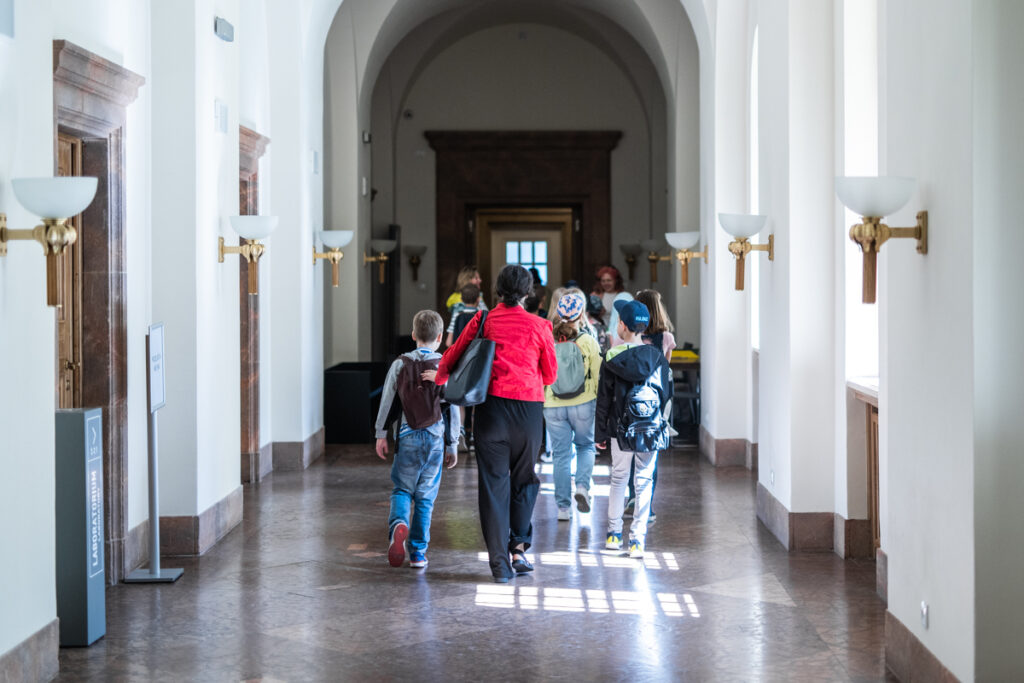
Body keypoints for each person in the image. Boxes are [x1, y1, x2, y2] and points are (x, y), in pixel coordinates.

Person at [436, 264, 557, 582]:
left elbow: (452, 356)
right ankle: (518, 548)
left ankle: (500, 566)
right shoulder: (540, 325)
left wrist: (438, 381)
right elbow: (550, 375)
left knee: (493, 486)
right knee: (525, 480)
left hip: (491, 411)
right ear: (528, 292)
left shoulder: (483, 319)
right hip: (528, 412)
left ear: (498, 290)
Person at [374, 310, 461, 569]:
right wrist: (452, 443)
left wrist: (381, 433)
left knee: (402, 488)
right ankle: (418, 553)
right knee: (425, 497)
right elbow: (452, 407)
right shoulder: (444, 366)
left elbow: (387, 401)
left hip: (407, 434)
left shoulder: (400, 364)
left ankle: (398, 524)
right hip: (435, 437)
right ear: (439, 337)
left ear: (413, 335)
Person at [595, 300, 673, 559]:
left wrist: (600, 433)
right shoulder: (657, 357)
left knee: (619, 478)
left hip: (619, 429)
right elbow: (665, 394)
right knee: (644, 479)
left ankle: (613, 535)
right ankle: (638, 539)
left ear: (622, 325)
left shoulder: (611, 357)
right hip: (649, 428)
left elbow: (603, 399)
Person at [543, 291, 602, 521]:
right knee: (586, 446)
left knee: (561, 455)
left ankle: (563, 508)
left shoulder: (548, 340)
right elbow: (598, 375)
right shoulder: (588, 341)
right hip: (583, 403)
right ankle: (582, 487)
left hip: (553, 404)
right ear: (581, 314)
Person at [625, 289, 678, 522]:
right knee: (649, 452)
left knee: (630, 449)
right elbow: (666, 369)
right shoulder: (666, 337)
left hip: (632, 395)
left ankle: (632, 497)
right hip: (655, 399)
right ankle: (647, 507)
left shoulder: (631, 334)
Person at [592, 266, 632, 343]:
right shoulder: (595, 295)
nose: (606, 283)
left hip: (616, 333)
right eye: (603, 281)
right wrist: (597, 313)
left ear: (616, 281)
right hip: (600, 333)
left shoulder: (622, 296)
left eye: (609, 280)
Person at [446, 283, 483, 347]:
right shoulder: (482, 315)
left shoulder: (457, 315)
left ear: (461, 299)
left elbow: (448, 343)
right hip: (477, 351)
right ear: (478, 299)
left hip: (460, 352)